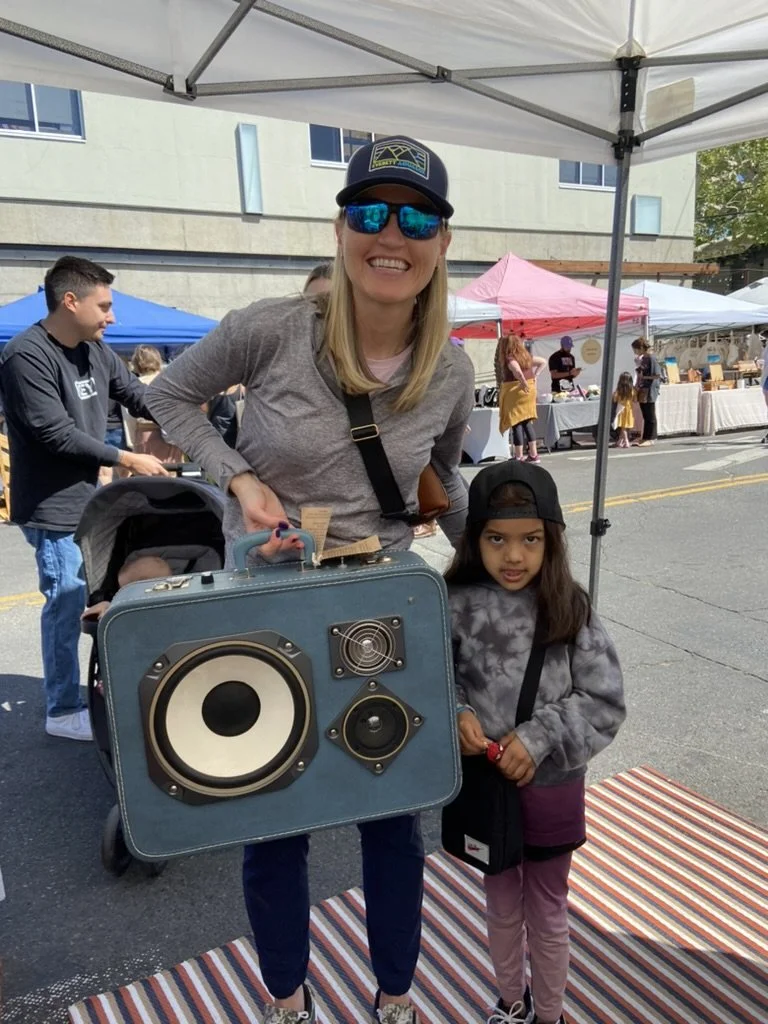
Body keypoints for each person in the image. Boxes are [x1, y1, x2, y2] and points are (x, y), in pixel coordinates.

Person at [145, 135, 474, 1024]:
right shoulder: (270, 327)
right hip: (269, 593)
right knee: (273, 812)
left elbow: (442, 476)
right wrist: (239, 477)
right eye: (370, 212)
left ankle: (395, 996)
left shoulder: (452, 367)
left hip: (377, 600)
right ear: (341, 228)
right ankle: (287, 998)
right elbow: (169, 397)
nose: (390, 234)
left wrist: (515, 567)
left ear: (442, 240)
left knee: (390, 812)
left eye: (415, 217)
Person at [445, 460, 625, 1024]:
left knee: (547, 907)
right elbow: (436, 678)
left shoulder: (569, 606)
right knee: (500, 903)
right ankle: (510, 1002)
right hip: (486, 787)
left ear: (552, 542)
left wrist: (541, 735)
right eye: (497, 539)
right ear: (476, 539)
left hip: (551, 786)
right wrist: (457, 712)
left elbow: (605, 700)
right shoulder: (453, 605)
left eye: (530, 540)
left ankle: (550, 1013)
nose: (514, 556)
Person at [0, 256, 169, 741]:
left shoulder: (95, 350)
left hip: (92, 500)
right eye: (105, 305)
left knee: (99, 595)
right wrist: (128, 458)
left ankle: (96, 687)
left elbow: (137, 395)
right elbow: (52, 432)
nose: (112, 317)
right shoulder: (25, 355)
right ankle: (61, 707)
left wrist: (187, 415)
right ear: (70, 301)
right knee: (66, 600)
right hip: (51, 505)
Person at [123, 345, 185, 463]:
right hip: (172, 434)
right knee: (173, 474)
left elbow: (129, 417)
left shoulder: (134, 385)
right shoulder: (171, 382)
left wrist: (132, 442)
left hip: (145, 434)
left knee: (149, 477)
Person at [498, 334, 546, 464]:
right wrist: (535, 375)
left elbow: (516, 370)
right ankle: (534, 454)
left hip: (516, 392)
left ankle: (519, 456)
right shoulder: (526, 357)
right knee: (526, 422)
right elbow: (543, 361)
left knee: (516, 422)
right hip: (529, 392)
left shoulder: (510, 358)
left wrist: (523, 381)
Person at [81, 554, 172, 621]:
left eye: (123, 591)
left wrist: (108, 608)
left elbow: (84, 617)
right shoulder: (176, 603)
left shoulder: (130, 612)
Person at [631, 336, 661, 447]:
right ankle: (645, 437)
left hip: (650, 389)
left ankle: (651, 438)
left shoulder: (651, 358)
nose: (634, 352)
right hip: (642, 389)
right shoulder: (643, 359)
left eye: (635, 349)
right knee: (645, 414)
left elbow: (657, 375)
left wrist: (644, 377)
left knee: (650, 414)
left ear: (641, 348)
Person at [612, 371, 636, 449]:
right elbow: (635, 399)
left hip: (621, 410)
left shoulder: (619, 390)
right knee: (627, 427)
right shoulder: (632, 390)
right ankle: (620, 441)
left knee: (623, 427)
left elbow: (615, 399)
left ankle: (626, 441)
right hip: (629, 410)